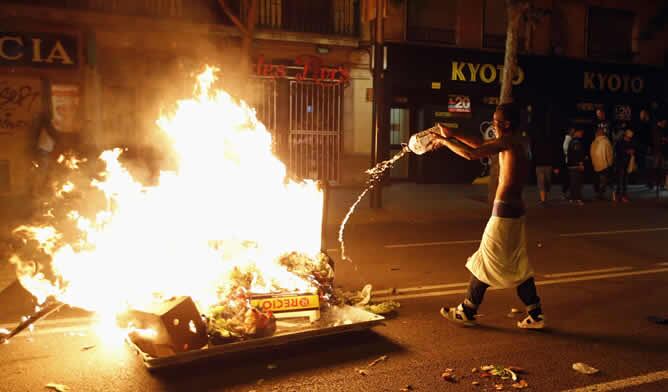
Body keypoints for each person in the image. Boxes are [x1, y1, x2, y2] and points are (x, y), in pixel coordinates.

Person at [426, 103, 545, 329]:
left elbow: (471, 153)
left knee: (485, 260)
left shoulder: (509, 142)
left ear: (506, 124)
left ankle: (467, 310)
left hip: (505, 212)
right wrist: (453, 133)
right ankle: (535, 314)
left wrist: (443, 141)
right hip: (515, 211)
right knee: (515, 263)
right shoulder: (519, 141)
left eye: (496, 121)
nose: (493, 124)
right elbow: (481, 144)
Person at [531, 134, 560, 205]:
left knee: (546, 182)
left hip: (546, 165)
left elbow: (553, 155)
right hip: (541, 166)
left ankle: (544, 198)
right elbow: (534, 156)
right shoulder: (537, 146)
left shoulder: (548, 146)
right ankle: (543, 200)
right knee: (542, 182)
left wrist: (555, 166)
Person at [590, 127, 614, 200]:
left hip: (596, 164)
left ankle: (598, 193)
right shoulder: (606, 142)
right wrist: (610, 163)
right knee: (604, 180)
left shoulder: (594, 142)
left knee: (598, 179)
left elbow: (591, 153)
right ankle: (601, 194)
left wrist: (593, 162)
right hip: (604, 164)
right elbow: (609, 154)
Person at [613, 129, 636, 202]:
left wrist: (632, 152)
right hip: (620, 163)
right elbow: (618, 151)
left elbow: (634, 150)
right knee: (620, 180)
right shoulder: (620, 142)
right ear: (625, 135)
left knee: (625, 181)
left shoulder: (630, 142)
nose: (629, 138)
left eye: (630, 137)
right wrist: (627, 151)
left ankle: (623, 196)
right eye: (629, 137)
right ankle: (618, 195)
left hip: (627, 163)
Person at [567, 128, 586, 206]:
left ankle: (572, 198)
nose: (582, 135)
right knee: (577, 183)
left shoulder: (571, 141)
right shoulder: (576, 142)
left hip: (571, 165)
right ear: (577, 133)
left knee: (573, 182)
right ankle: (578, 199)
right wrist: (581, 163)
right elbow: (577, 154)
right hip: (576, 165)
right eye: (581, 133)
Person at [561, 128, 575, 198]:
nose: (574, 132)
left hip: (568, 161)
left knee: (568, 178)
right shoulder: (568, 139)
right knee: (568, 178)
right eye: (573, 131)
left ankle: (567, 192)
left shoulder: (569, 139)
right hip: (568, 161)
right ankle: (565, 193)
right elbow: (565, 149)